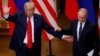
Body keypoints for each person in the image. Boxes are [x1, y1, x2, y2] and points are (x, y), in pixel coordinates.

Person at [2, 2, 69, 56]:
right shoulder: (19, 15)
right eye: (27, 10)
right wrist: (6, 14)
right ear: (24, 9)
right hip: (21, 47)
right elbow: (9, 18)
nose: (28, 12)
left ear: (34, 10)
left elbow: (49, 29)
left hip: (34, 48)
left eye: (30, 10)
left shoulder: (39, 18)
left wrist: (62, 36)